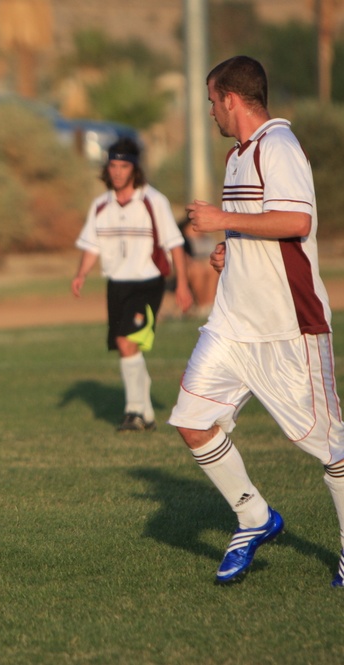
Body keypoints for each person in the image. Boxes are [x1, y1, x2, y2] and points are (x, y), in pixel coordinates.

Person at [174, 55, 344, 586]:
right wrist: (231, 250)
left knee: (331, 447)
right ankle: (253, 515)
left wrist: (223, 219)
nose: (210, 113)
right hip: (233, 323)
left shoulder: (279, 146)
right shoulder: (236, 156)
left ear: (231, 98)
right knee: (191, 420)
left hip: (288, 326)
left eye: (211, 102)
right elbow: (259, 224)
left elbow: (297, 221)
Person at [72, 137, 193, 432]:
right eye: (112, 165)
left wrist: (182, 286)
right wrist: (81, 274)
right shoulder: (101, 205)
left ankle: (135, 411)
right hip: (117, 285)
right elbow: (91, 245)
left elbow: (175, 245)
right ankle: (145, 414)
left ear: (135, 169)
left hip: (147, 283)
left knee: (128, 342)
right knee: (125, 346)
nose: (116, 171)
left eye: (123, 165)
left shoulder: (154, 201)